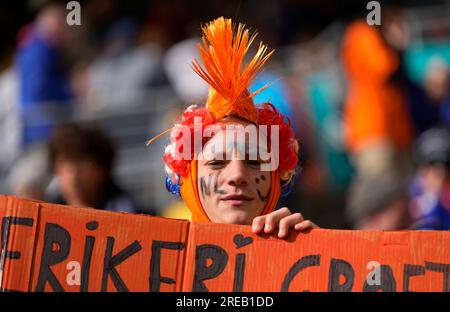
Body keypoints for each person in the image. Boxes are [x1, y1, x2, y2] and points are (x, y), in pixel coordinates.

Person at [149, 18, 318, 238]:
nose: (237, 175)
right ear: (187, 177)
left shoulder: (308, 257)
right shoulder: (157, 261)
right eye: (217, 162)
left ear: (277, 175)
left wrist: (316, 255)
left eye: (255, 162)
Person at [46, 122, 138, 214]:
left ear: (102, 171)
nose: (73, 175)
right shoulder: (46, 214)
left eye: (82, 165)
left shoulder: (130, 214)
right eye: (65, 165)